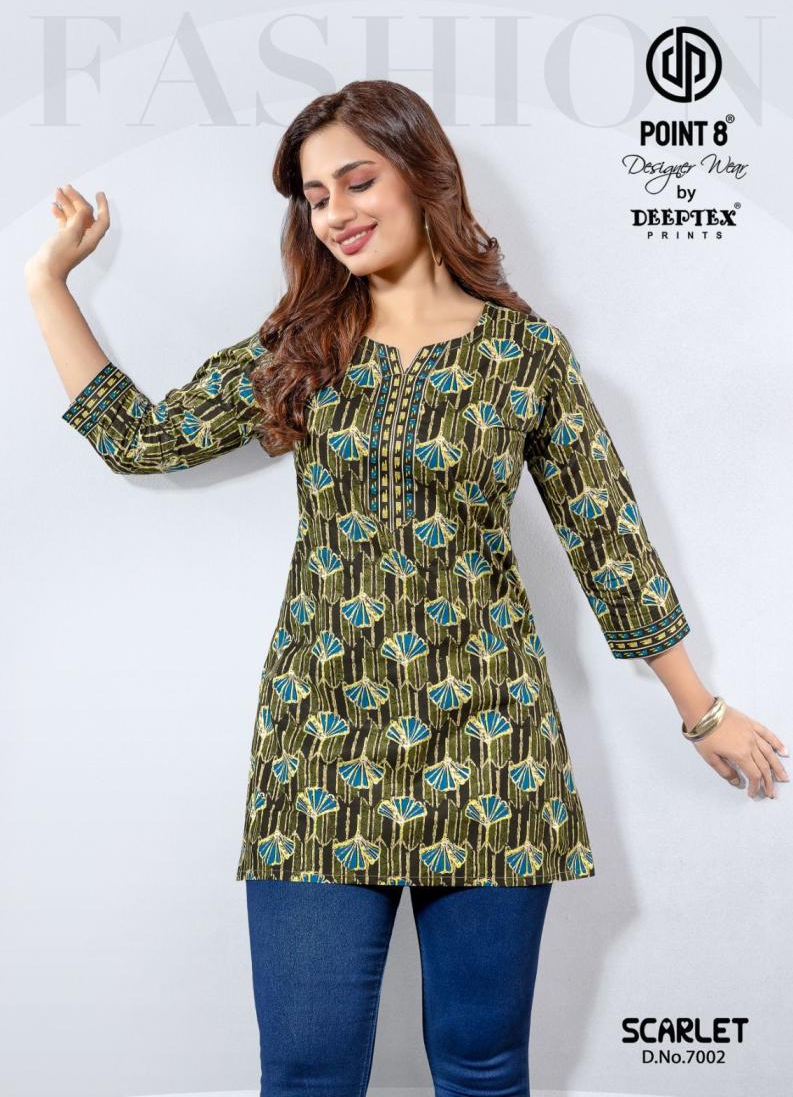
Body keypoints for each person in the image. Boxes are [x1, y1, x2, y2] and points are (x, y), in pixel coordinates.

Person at [26, 79, 787, 1097]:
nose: (334, 213)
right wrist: (48, 284)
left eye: (355, 181)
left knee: (481, 1066)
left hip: (491, 747)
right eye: (313, 197)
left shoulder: (524, 357)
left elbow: (606, 539)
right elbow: (143, 440)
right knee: (306, 1069)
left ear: (424, 175)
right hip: (319, 743)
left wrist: (702, 713)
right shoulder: (301, 347)